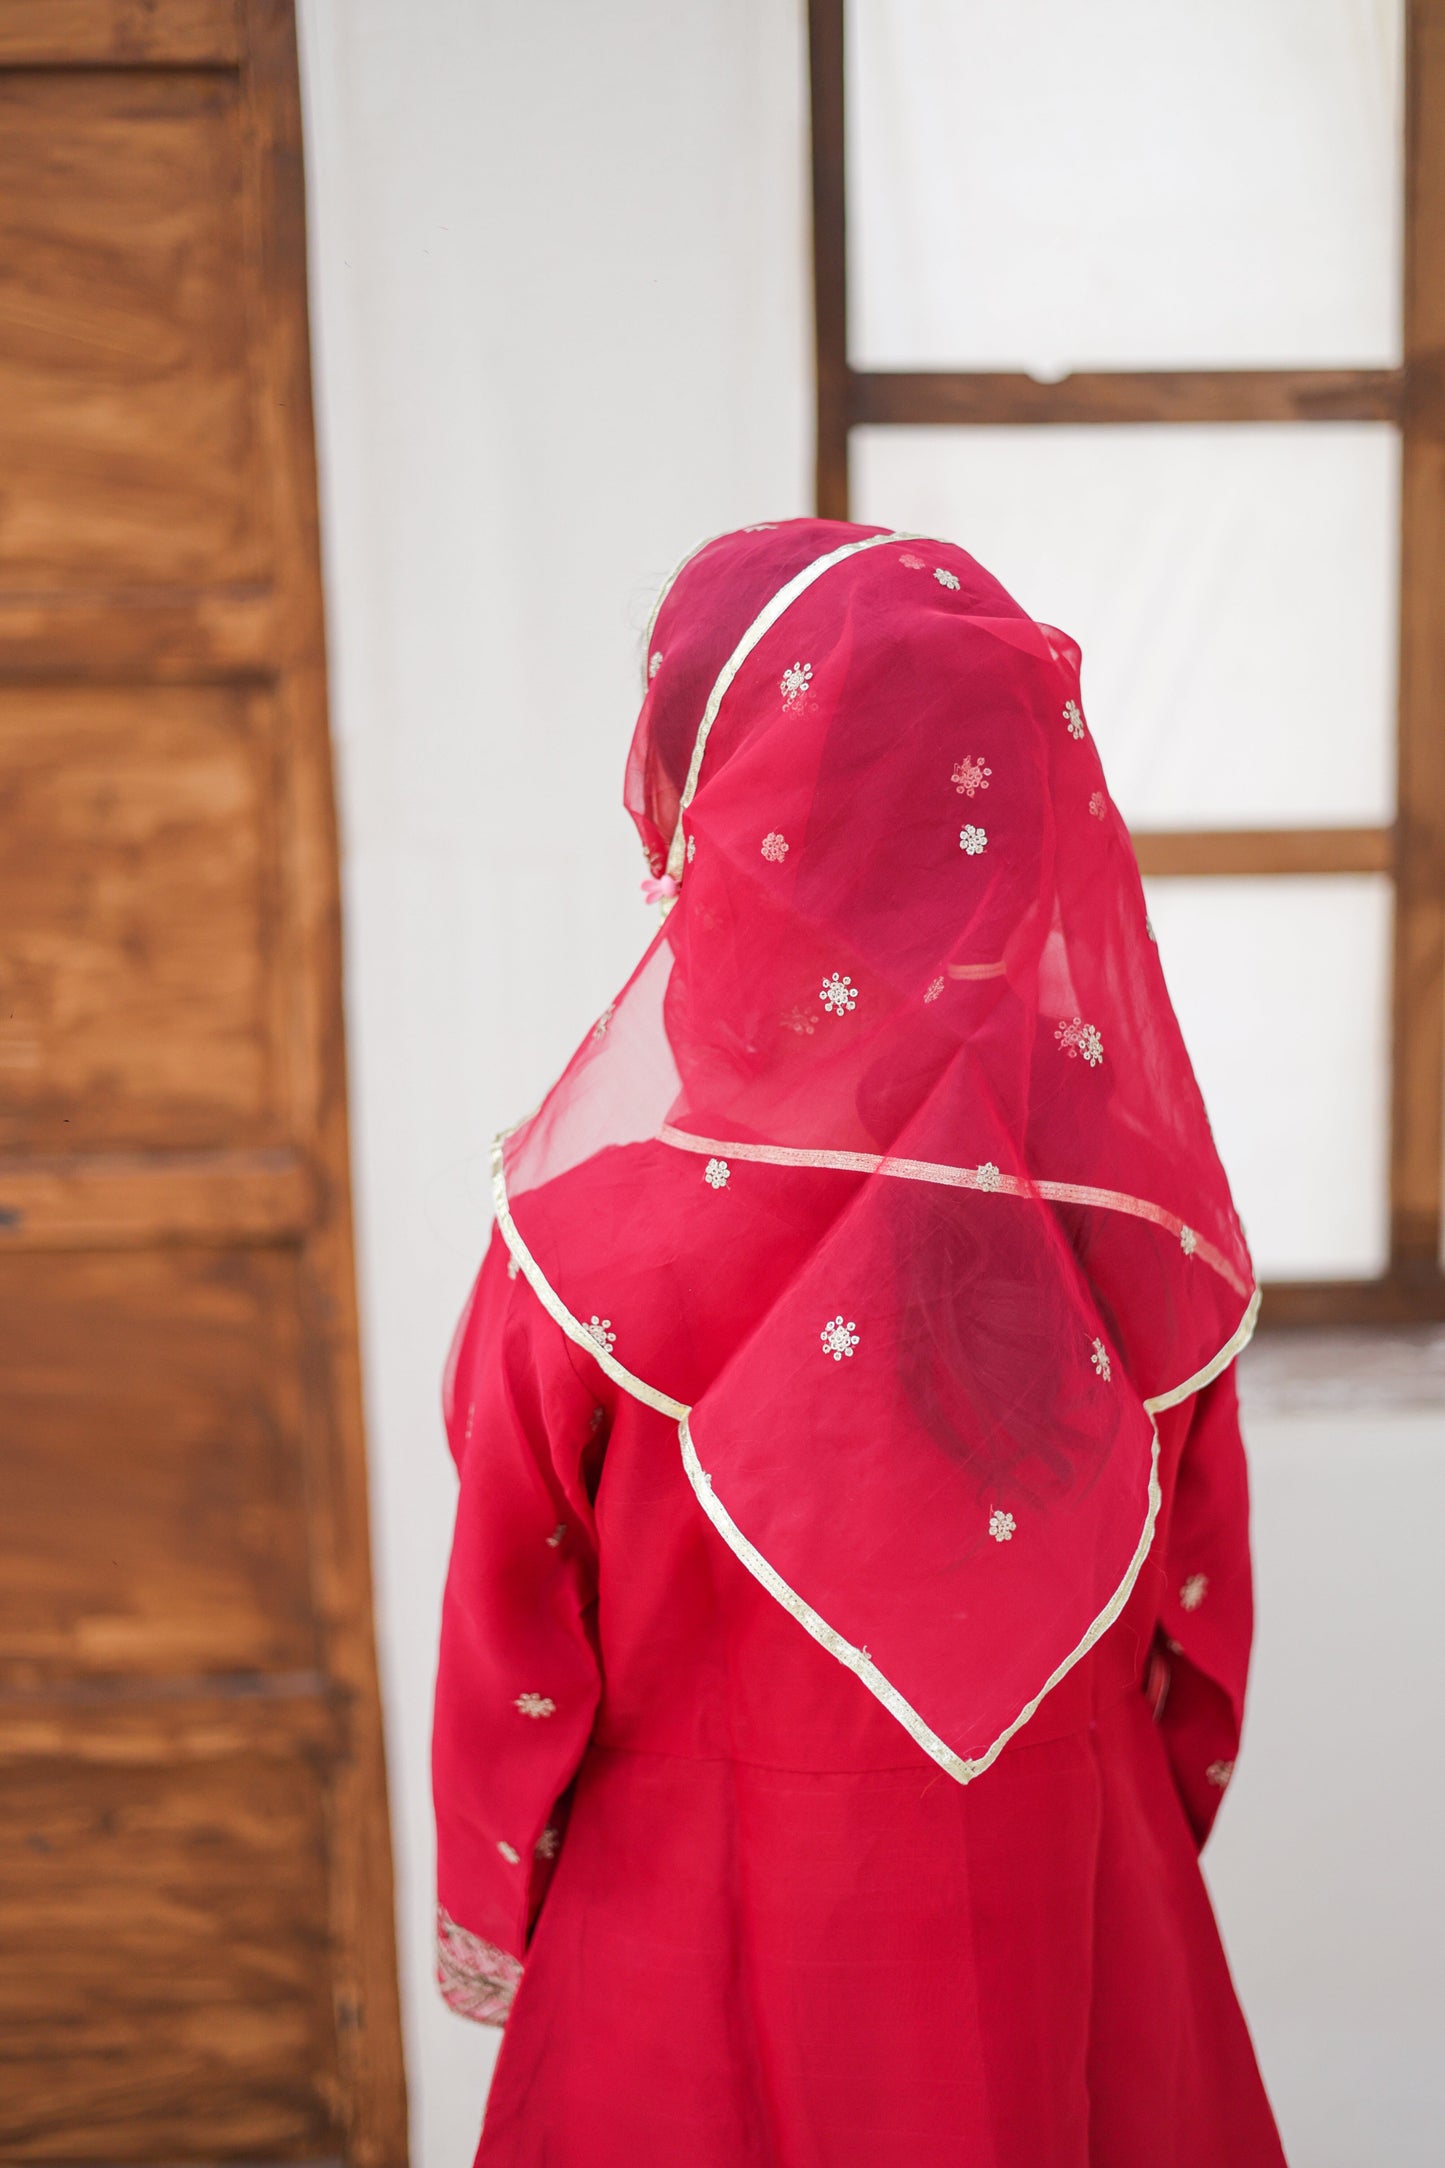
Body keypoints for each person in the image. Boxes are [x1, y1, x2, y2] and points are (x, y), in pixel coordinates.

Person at [433, 518, 1286, 2166]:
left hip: (689, 1921)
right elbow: (1200, 1624)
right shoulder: (1150, 1231)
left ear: (719, 800)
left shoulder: (584, 1240)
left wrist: (493, 1876)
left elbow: (512, 1612)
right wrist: (1103, 1809)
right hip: (1068, 1908)